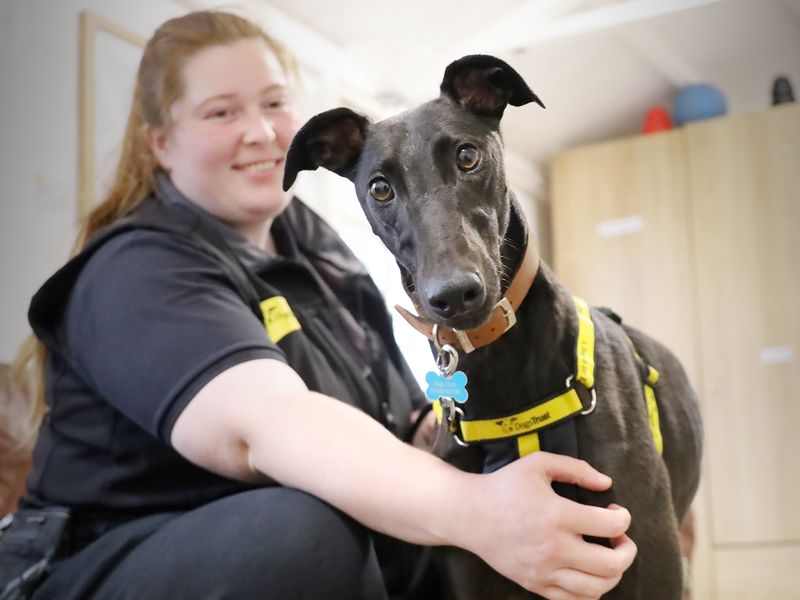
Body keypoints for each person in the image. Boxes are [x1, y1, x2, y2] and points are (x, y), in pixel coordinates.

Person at [4, 10, 637, 600]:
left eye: (274, 103)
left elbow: (408, 421)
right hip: (111, 559)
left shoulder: (316, 250)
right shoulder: (137, 267)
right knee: (300, 532)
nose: (259, 130)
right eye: (221, 112)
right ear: (161, 145)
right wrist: (479, 513)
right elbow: (267, 427)